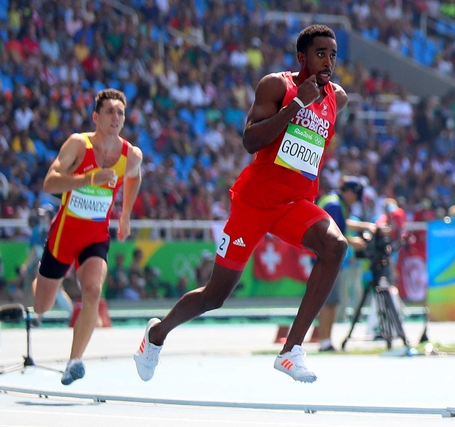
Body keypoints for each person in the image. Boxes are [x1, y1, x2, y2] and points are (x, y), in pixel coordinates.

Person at [134, 25, 349, 383]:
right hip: (254, 203)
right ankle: (157, 334)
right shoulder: (276, 86)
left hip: (293, 203)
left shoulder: (337, 98)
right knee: (214, 297)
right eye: (320, 54)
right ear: (302, 57)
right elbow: (250, 141)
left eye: (333, 55)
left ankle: (291, 350)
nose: (328, 61)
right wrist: (297, 105)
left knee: (335, 246)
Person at [32, 89, 143, 385]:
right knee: (42, 306)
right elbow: (49, 183)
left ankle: (74, 361)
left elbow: (135, 176)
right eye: (110, 111)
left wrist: (126, 214)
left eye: (120, 112)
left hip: (95, 235)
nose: (116, 117)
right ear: (96, 117)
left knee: (93, 289)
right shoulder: (78, 145)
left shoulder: (131, 155)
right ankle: (42, 280)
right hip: (64, 234)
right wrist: (89, 178)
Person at [315, 177, 374, 352]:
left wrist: (365, 226)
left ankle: (325, 340)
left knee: (329, 301)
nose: (355, 202)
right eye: (355, 197)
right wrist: (353, 242)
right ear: (349, 192)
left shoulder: (334, 202)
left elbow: (342, 225)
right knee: (329, 301)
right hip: (326, 258)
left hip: (324, 257)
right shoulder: (334, 205)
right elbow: (331, 233)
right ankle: (325, 342)